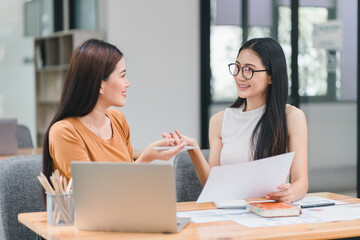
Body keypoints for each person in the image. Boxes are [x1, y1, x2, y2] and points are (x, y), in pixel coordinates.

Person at [163, 38, 308, 204]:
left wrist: (290, 194)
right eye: (237, 67)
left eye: (248, 70)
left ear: (271, 77)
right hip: (230, 215)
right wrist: (194, 149)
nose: (239, 76)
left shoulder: (291, 117)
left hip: (270, 213)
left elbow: (301, 182)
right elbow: (212, 184)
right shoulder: (219, 121)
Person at [42, 39, 187, 182]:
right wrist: (146, 157)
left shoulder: (117, 119)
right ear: (100, 84)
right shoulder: (64, 132)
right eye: (122, 75)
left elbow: (127, 182)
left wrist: (151, 155)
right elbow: (93, 192)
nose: (127, 83)